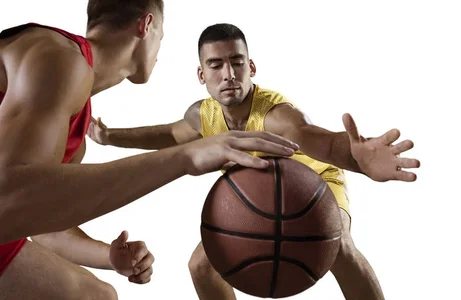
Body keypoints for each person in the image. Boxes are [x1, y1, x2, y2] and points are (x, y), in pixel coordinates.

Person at [88, 23, 420, 300]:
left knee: (340, 247)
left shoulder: (277, 117)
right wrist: (111, 135)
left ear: (251, 67)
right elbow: (171, 136)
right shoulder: (202, 115)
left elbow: (323, 142)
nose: (228, 73)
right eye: (216, 65)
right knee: (200, 265)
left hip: (314, 183)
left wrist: (358, 160)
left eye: (236, 62)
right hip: (263, 193)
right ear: (202, 75)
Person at [0, 3, 300, 300]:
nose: (158, 53)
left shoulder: (69, 121)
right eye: (162, 35)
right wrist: (186, 156)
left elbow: (40, 223)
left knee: (99, 296)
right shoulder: (59, 58)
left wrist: (110, 256)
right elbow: (10, 198)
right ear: (146, 25)